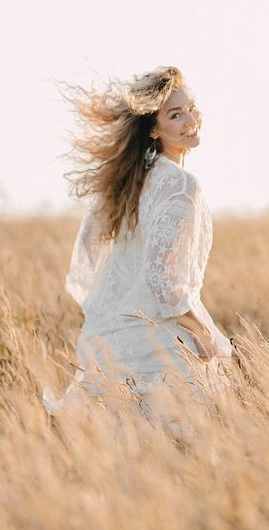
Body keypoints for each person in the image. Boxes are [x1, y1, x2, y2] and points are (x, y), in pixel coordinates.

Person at [42, 66, 233, 425]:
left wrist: (113, 310)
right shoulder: (181, 186)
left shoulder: (129, 183)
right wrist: (204, 334)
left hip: (110, 346)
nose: (190, 119)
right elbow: (164, 284)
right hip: (160, 352)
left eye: (191, 108)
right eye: (176, 115)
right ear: (154, 130)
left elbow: (88, 255)